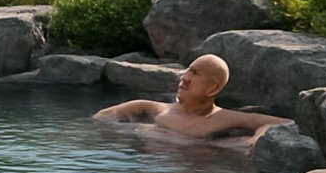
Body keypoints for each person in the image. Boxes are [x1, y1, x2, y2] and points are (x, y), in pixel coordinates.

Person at [93, 53, 290, 144]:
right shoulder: (150, 108)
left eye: (194, 73)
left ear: (213, 87)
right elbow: (100, 119)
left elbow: (285, 125)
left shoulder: (228, 119)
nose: (184, 78)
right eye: (186, 71)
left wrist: (252, 142)